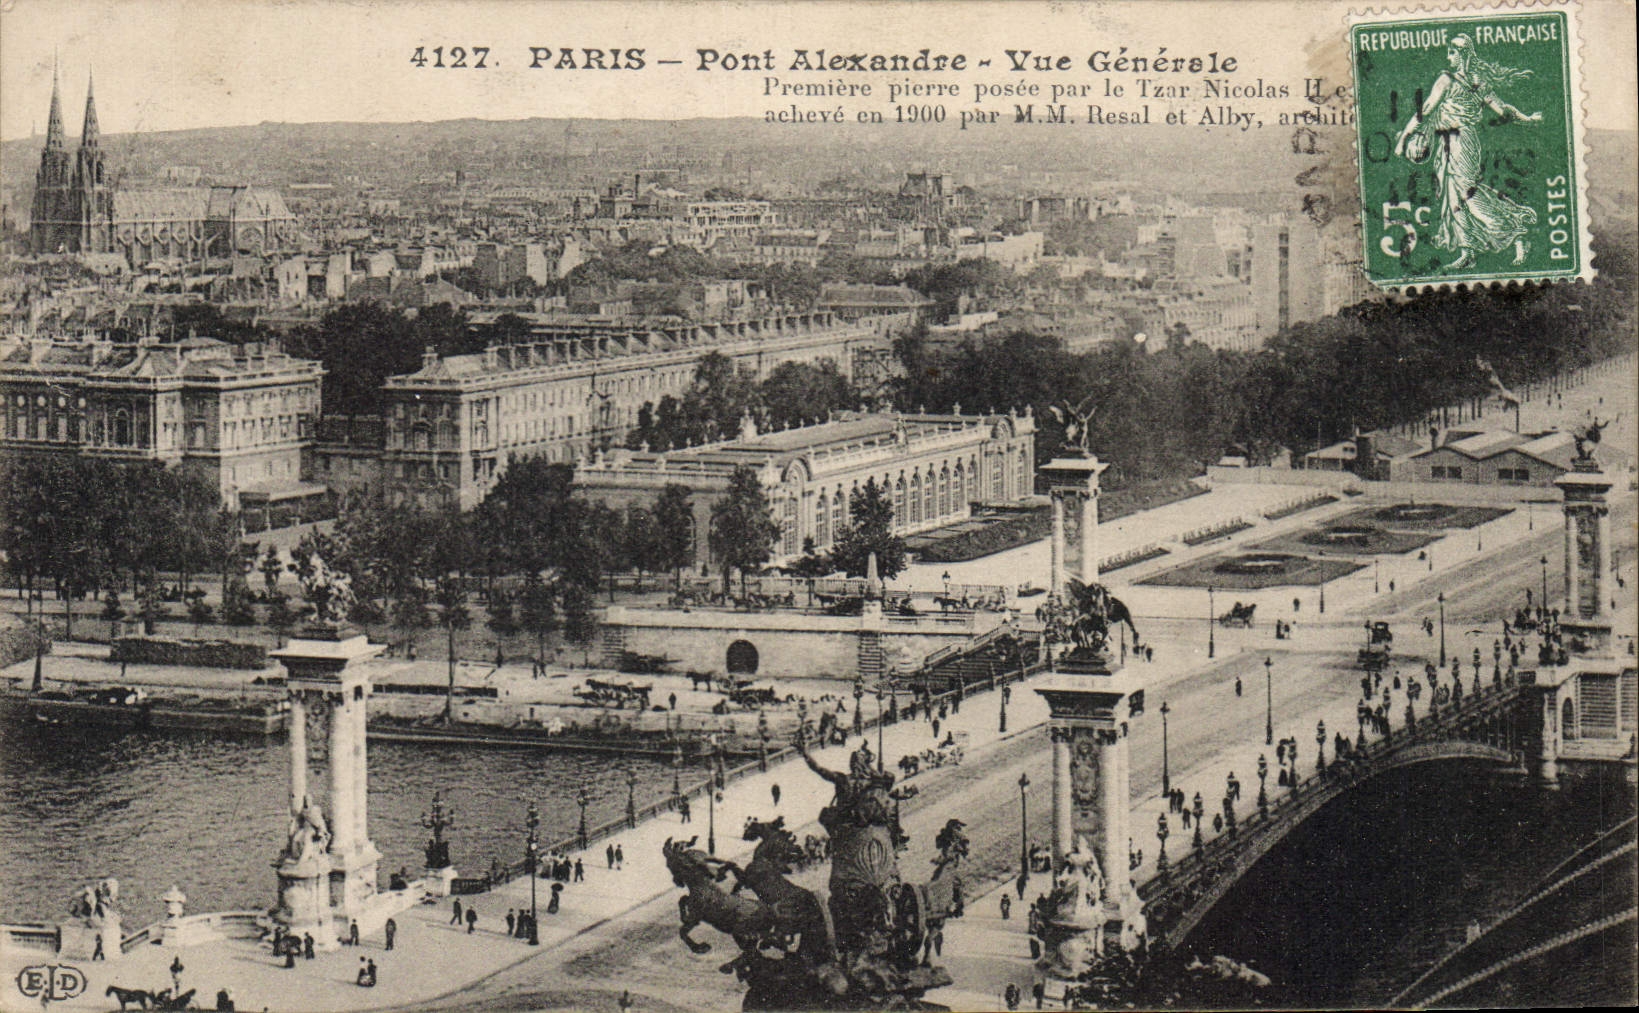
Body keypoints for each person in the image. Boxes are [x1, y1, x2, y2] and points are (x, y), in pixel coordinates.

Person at [1395, 33, 1542, 270]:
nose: (1448, 57)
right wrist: (1527, 118)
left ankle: (1515, 232)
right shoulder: (1478, 83)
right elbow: (1504, 111)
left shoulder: (1448, 79)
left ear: (1461, 54)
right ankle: (1469, 251)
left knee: (1467, 194)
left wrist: (1404, 137)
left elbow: (1426, 109)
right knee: (1454, 197)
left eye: (1452, 52)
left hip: (1461, 142)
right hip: (1450, 142)